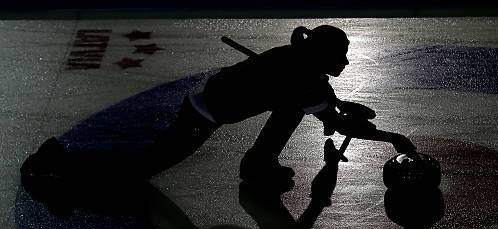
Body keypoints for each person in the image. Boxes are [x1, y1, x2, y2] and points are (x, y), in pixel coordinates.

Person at [147, 24, 414, 189]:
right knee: (147, 167)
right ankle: (257, 164)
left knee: (294, 106)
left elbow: (326, 99)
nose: (345, 62)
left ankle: (258, 162)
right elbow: (336, 122)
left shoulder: (301, 66)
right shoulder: (303, 81)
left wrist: (341, 107)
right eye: (340, 54)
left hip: (209, 105)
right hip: (202, 116)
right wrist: (391, 138)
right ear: (323, 54)